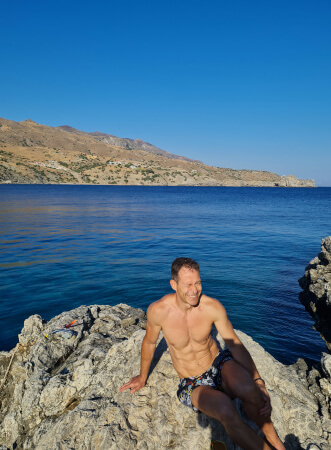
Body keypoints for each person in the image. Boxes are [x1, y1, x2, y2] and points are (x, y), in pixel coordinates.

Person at [120, 257, 285, 450]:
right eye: (188, 284)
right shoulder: (159, 311)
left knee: (251, 390)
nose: (194, 290)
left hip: (218, 364)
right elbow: (149, 342)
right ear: (174, 284)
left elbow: (235, 344)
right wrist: (142, 376)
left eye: (197, 282)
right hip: (191, 382)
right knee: (225, 409)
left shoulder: (211, 306)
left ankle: (277, 443)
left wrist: (259, 382)